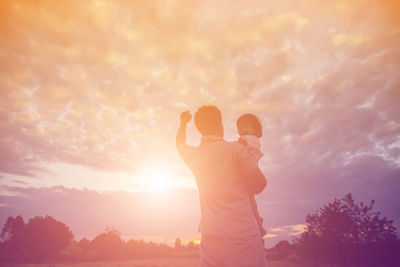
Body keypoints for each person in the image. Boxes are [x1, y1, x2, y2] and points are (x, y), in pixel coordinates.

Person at [176, 105, 267, 267]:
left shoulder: (194, 155)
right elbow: (259, 185)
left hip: (211, 236)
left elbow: (179, 144)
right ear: (219, 124)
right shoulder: (236, 149)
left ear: (200, 129)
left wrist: (183, 123)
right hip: (243, 234)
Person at [236, 113, 268, 240]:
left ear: (255, 129)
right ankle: (258, 224)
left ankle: (258, 226)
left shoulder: (251, 139)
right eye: (240, 126)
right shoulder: (245, 138)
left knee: (250, 203)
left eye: (246, 125)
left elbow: (244, 151)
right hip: (246, 174)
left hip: (248, 174)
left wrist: (238, 145)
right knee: (250, 201)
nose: (243, 128)